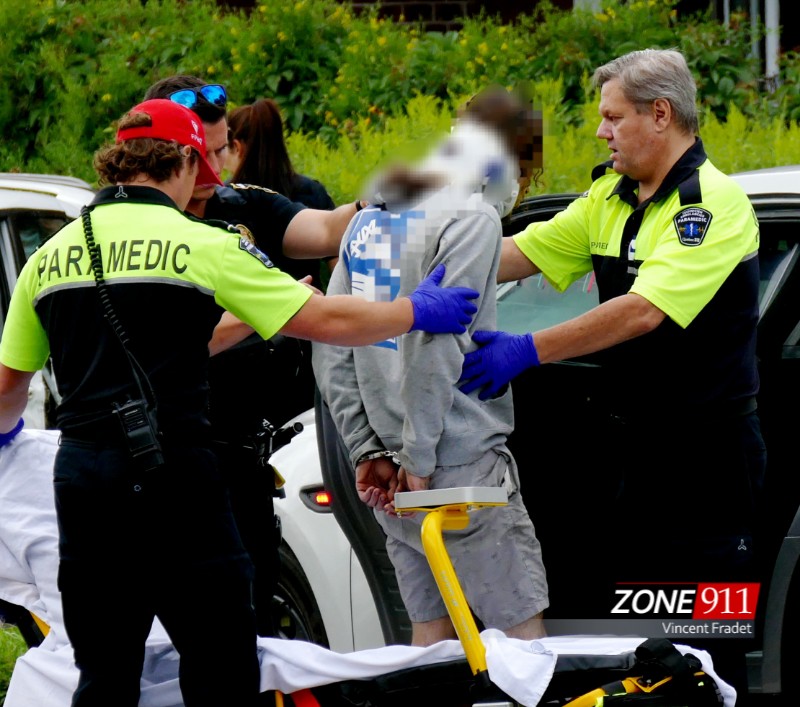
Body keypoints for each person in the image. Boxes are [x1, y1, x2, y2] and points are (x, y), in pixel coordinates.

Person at [0, 98, 479, 707]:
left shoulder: (50, 256)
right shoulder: (202, 242)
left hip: (86, 478)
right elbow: (326, 320)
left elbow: (7, 391)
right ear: (185, 161)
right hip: (175, 472)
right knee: (220, 660)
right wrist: (417, 310)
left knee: (103, 667)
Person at [458, 49, 765, 698]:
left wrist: (527, 348)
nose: (600, 131)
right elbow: (518, 254)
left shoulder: (709, 205)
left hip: (707, 461)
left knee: (709, 646)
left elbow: (641, 311)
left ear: (660, 115)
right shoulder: (609, 197)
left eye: (611, 117)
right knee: (646, 644)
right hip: (636, 457)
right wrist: (428, 262)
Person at [312, 86, 549, 647]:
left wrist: (368, 450)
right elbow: (435, 347)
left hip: (391, 478)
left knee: (433, 645)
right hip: (455, 467)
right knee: (523, 644)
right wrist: (419, 456)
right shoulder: (473, 218)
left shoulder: (370, 219)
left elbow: (332, 340)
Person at [143, 75, 352, 637]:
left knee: (247, 632)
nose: (212, 170)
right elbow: (152, 345)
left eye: (221, 150)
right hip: (159, 463)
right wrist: (273, 310)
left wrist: (394, 193)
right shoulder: (135, 230)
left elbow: (328, 229)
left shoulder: (246, 205)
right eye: (198, 155)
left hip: (243, 462)